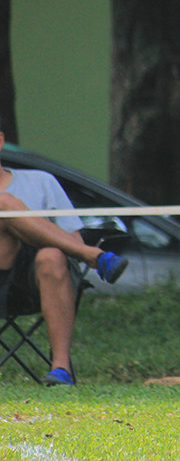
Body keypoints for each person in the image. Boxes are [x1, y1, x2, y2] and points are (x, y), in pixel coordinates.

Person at [0, 124, 129, 386]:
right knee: (6, 203)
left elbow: (71, 236)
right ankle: (94, 257)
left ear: (0, 140)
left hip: (37, 282)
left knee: (52, 255)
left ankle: (60, 369)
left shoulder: (41, 181)